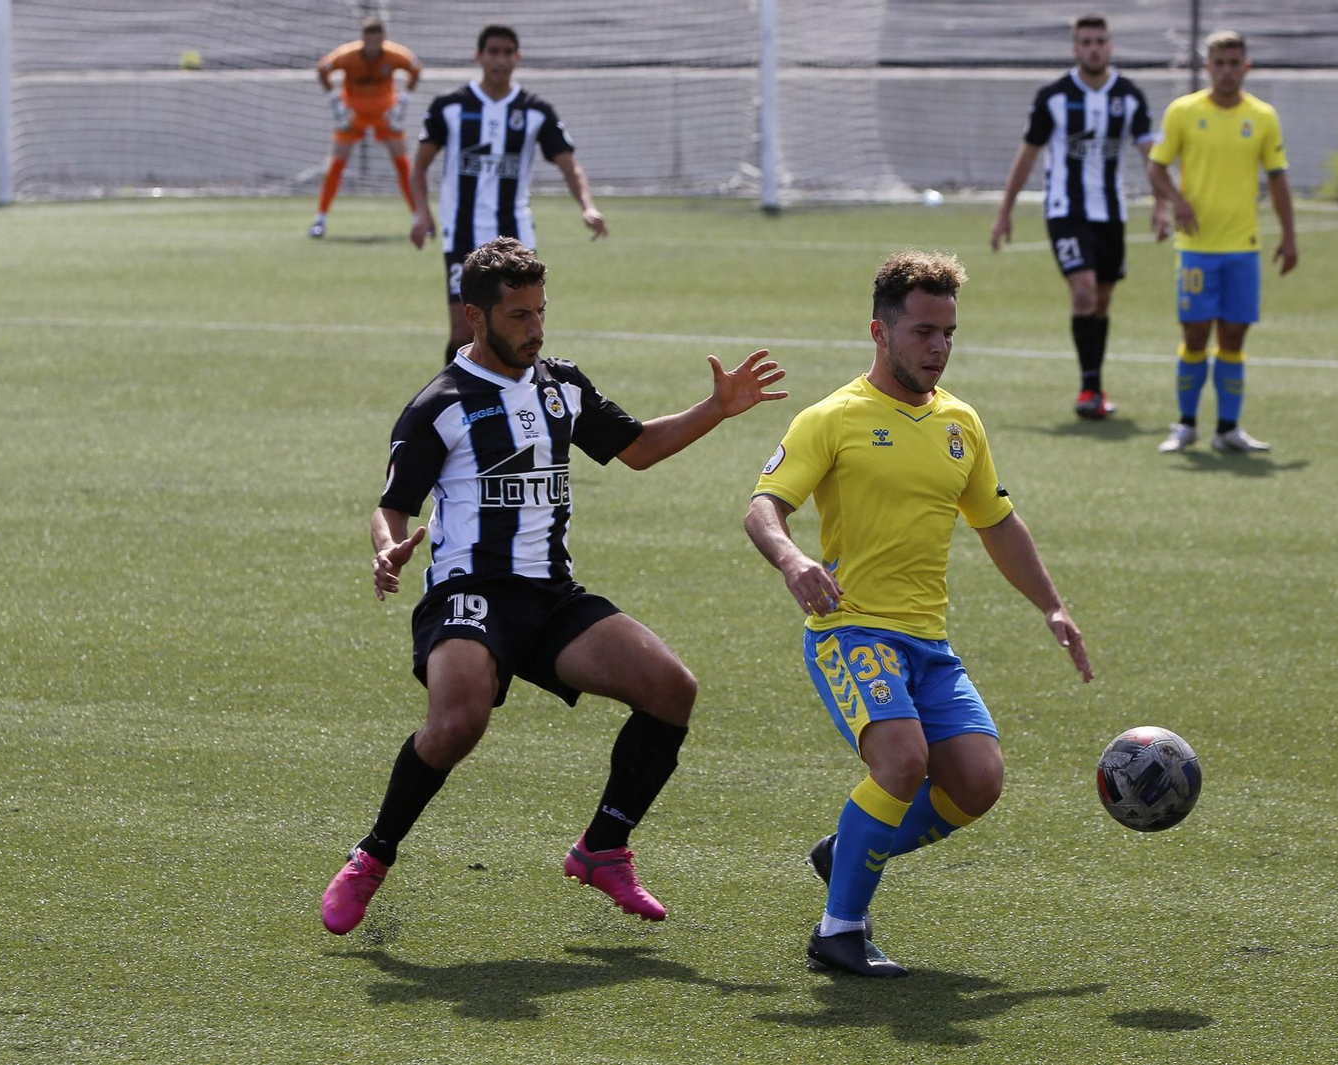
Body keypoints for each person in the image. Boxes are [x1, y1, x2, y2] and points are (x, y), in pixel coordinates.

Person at [322, 237, 787, 936]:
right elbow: (393, 504)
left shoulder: (560, 384)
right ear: (475, 317)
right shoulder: (439, 405)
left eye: (541, 311)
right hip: (467, 593)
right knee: (458, 720)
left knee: (672, 688)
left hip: (551, 598)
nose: (536, 328)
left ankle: (603, 846)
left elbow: (638, 448)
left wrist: (715, 408)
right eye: (518, 315)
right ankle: (373, 854)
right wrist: (388, 547)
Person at [744, 251, 1094, 977]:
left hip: (927, 643)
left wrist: (1052, 606)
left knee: (977, 779)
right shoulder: (832, 418)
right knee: (902, 761)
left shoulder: (961, 423)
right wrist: (792, 560)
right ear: (881, 331)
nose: (938, 347)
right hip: (852, 629)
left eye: (949, 334)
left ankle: (846, 852)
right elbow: (763, 508)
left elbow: (997, 523)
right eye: (924, 332)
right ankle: (840, 930)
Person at [990, 13, 1169, 421]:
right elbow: (1027, 156)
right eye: (1085, 41)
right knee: (1084, 289)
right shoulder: (1053, 96)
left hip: (1111, 212)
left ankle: (1095, 382)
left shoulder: (1130, 96)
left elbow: (1150, 155)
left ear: (1110, 46)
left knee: (1102, 300)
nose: (1093, 48)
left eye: (1100, 41)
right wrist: (1005, 213)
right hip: (1065, 210)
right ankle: (1088, 388)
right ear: (1075, 49)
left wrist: (1162, 204)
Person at [409, 25, 609, 365]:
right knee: (463, 332)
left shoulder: (536, 111)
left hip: (514, 237)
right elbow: (419, 167)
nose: (500, 60)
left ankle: (513, 407)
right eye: (493, 52)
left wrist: (588, 206)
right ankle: (455, 404)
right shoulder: (450, 106)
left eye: (507, 53)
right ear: (479, 56)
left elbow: (569, 165)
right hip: (461, 233)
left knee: (519, 329)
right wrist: (421, 213)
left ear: (518, 57)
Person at [1146, 29, 1298, 453]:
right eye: (1220, 64)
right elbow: (1157, 168)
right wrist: (1177, 202)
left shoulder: (1263, 117)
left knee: (1234, 336)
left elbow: (1278, 178)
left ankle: (1229, 428)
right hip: (1196, 248)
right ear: (1208, 67)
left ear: (1245, 67)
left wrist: (1289, 236)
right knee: (1195, 336)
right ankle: (1186, 425)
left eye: (1235, 64)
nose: (1227, 71)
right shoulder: (1182, 112)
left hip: (1243, 248)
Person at [310, 17, 422, 239]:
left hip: (385, 113)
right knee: (337, 163)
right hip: (354, 113)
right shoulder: (348, 55)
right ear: (363, 39)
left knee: (402, 163)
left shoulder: (394, 54)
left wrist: (402, 102)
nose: (373, 46)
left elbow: (415, 68)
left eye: (377, 41)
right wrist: (336, 102)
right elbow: (323, 68)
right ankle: (320, 218)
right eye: (369, 40)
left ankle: (418, 217)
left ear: (383, 39)